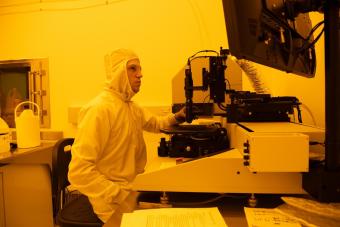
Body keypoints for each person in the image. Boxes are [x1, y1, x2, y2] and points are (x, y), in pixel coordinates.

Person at [68, 48, 185, 226]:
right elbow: (79, 171)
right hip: (111, 204)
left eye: (140, 69)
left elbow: (156, 124)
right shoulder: (99, 109)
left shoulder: (131, 106)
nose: (140, 75)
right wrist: (118, 195)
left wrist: (179, 116)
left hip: (132, 190)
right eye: (133, 68)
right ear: (118, 73)